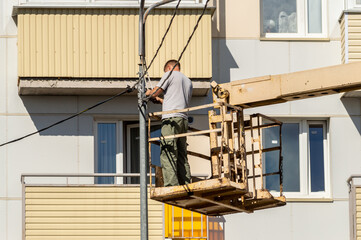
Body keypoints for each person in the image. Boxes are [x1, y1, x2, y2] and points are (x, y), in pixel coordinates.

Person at [146, 60, 193, 187]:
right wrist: (161, 101)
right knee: (182, 154)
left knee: (168, 151)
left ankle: (171, 184)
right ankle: (186, 182)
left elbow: (155, 92)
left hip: (171, 119)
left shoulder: (169, 74)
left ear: (168, 67)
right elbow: (175, 99)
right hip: (183, 120)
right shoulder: (188, 81)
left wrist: (149, 93)